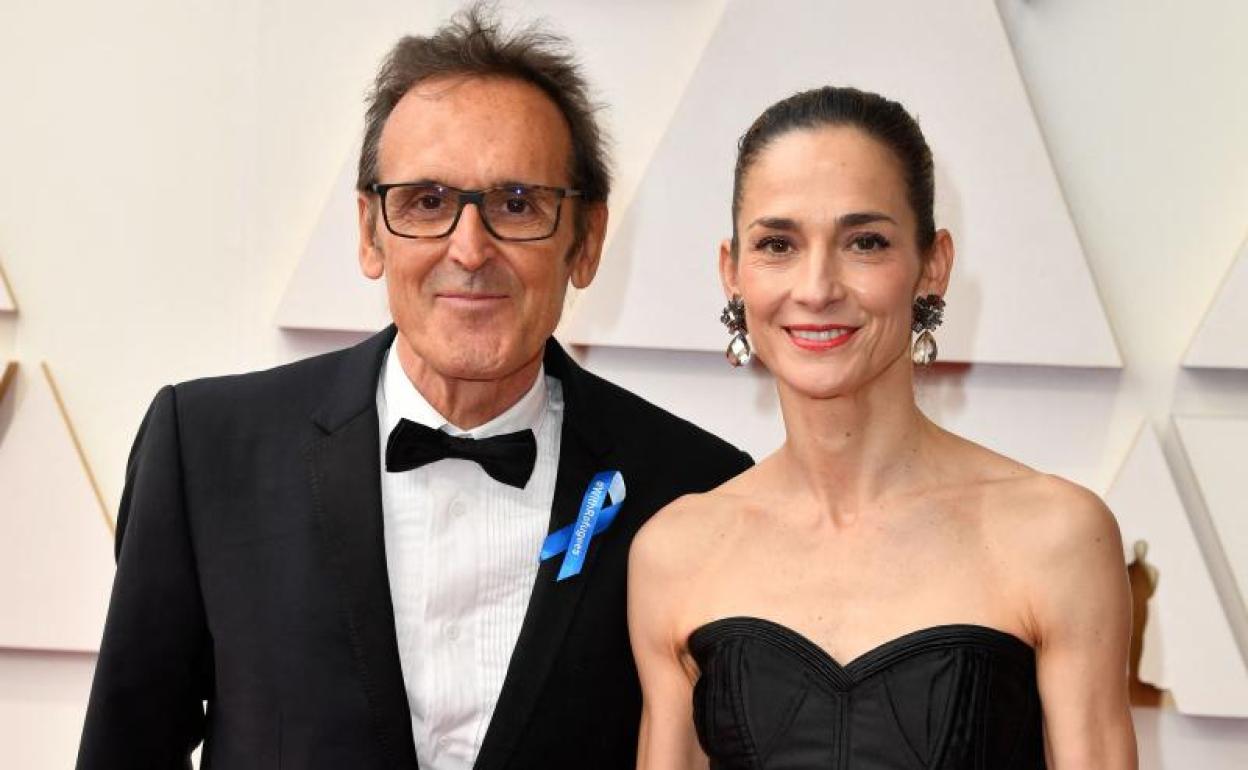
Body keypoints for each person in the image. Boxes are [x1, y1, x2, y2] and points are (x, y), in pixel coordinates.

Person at [77, 8, 751, 769]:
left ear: (585, 241)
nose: (469, 249)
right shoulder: (206, 450)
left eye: (518, 204)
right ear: (371, 231)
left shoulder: (699, 491)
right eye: (427, 202)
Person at [629, 86, 1137, 769]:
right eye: (778, 244)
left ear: (933, 266)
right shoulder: (676, 552)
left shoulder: (1056, 535)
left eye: (864, 242)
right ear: (733, 274)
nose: (816, 287)